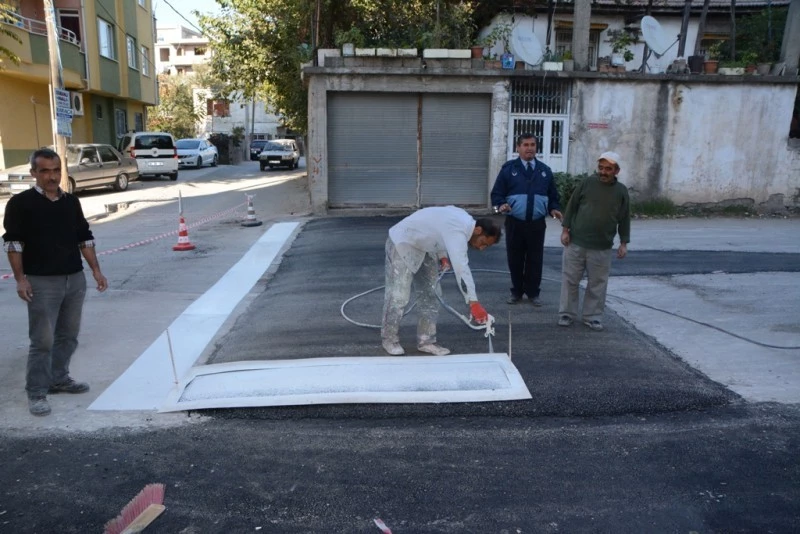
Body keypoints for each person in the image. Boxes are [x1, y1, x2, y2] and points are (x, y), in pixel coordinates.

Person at [3, 148, 108, 416]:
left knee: (68, 336)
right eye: (45, 171)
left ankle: (58, 379)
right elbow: (14, 244)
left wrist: (95, 270)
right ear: (34, 173)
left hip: (74, 279)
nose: (52, 176)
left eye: (56, 170)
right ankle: (36, 392)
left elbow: (84, 238)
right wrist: (20, 279)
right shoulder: (20, 204)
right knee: (42, 341)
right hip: (41, 283)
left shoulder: (71, 202)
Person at [381, 206, 502, 356]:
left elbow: (436, 229)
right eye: (484, 242)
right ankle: (389, 339)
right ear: (478, 230)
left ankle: (426, 341)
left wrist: (442, 255)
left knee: (432, 295)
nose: (482, 248)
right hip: (403, 241)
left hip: (424, 245)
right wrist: (473, 302)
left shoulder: (464, 221)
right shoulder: (458, 231)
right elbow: (461, 269)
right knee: (398, 295)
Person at [558, 151, 630, 332]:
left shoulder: (621, 192)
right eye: (601, 168)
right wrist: (565, 230)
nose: (603, 172)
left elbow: (624, 218)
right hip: (576, 242)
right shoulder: (587, 183)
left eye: (608, 169)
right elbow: (571, 206)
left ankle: (593, 317)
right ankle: (567, 313)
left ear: (616, 171)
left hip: (602, 246)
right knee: (570, 280)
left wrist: (623, 243)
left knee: (597, 283)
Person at [490, 133, 562, 306]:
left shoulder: (544, 171)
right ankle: (516, 292)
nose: (529, 148)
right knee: (515, 258)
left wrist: (554, 209)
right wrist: (500, 206)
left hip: (537, 224)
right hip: (515, 223)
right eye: (526, 145)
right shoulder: (508, 169)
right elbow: (496, 195)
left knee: (535, 259)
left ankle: (533, 293)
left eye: (532, 145)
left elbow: (553, 196)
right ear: (518, 148)